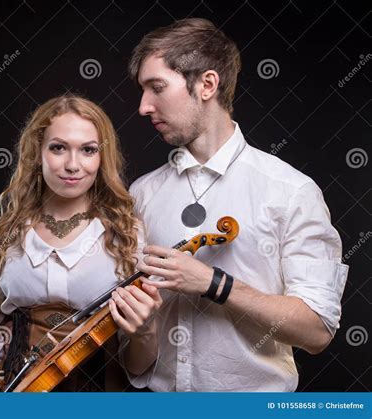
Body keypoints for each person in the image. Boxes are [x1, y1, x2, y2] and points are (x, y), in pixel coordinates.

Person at [124, 18, 349, 391]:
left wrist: (214, 283)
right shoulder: (142, 194)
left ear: (207, 84)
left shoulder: (290, 191)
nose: (144, 107)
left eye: (157, 88)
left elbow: (317, 329)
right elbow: (136, 355)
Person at [0, 95, 162, 392]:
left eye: (88, 150)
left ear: (102, 158)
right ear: (37, 153)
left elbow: (138, 368)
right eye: (58, 148)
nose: (73, 165)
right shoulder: (1, 240)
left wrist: (145, 330)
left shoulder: (128, 237)